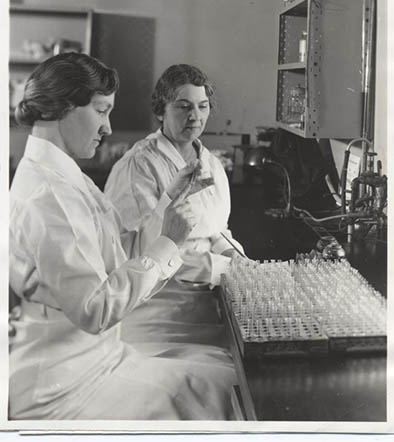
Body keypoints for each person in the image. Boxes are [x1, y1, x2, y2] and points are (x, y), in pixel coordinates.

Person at [9, 53, 236, 421]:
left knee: (223, 377)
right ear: (62, 107)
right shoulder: (48, 194)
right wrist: (167, 243)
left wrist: (167, 201)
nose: (108, 128)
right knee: (220, 396)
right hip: (64, 388)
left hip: (99, 361)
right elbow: (95, 309)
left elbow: (122, 252)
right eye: (101, 111)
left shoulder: (66, 177)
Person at [105, 64, 246, 348]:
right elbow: (142, 253)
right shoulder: (139, 166)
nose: (195, 117)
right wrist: (224, 270)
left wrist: (238, 259)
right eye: (183, 107)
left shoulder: (212, 164)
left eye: (202, 106)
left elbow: (216, 230)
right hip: (160, 316)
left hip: (207, 307)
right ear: (160, 111)